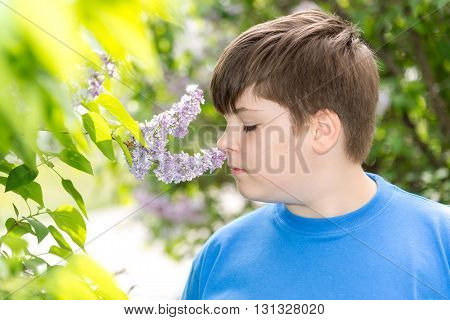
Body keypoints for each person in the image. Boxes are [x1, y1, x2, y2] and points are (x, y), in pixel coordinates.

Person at [181, 9, 449, 300]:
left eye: (249, 125)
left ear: (321, 130)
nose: (223, 143)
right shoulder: (219, 255)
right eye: (226, 123)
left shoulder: (440, 243)